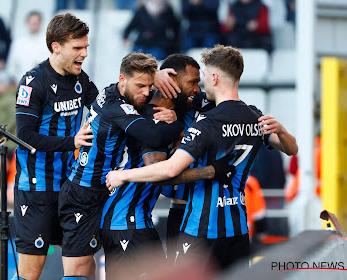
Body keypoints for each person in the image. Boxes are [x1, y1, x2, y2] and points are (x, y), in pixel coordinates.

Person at [106, 44, 298, 270]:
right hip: (221, 220)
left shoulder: (208, 118)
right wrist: (154, 77)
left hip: (197, 221)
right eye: (193, 82)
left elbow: (167, 171)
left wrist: (123, 175)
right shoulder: (161, 110)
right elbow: (291, 149)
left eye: (202, 79)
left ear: (214, 78)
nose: (198, 87)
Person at [58, 52, 185, 279]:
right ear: (122, 80)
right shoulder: (116, 107)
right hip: (82, 194)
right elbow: (152, 136)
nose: (146, 92)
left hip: (101, 192)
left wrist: (155, 76)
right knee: (78, 271)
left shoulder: (113, 90)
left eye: (149, 86)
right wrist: (179, 123)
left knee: (90, 269)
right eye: (140, 86)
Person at [100, 53, 217, 278]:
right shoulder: (153, 120)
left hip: (138, 220)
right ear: (172, 83)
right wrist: (210, 172)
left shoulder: (168, 115)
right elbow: (161, 175)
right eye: (192, 82)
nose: (196, 89)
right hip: (125, 221)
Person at [12, 13, 98, 280]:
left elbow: (106, 104)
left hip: (70, 188)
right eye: (77, 48)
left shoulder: (80, 79)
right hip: (36, 190)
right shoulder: (33, 82)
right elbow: (25, 136)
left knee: (84, 267)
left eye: (86, 47)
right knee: (29, 274)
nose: (84, 53)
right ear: (56, 46)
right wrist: (71, 142)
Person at [6, 11, 50, 83]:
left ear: (41, 23)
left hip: (43, 84)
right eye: (32, 22)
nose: (34, 24)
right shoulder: (18, 43)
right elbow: (11, 68)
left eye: (37, 22)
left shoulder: (48, 42)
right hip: (22, 83)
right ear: (27, 23)